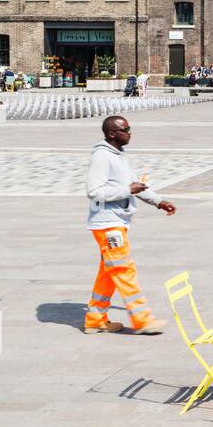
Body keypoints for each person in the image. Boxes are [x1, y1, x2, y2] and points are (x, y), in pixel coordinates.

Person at [83, 115, 175, 335]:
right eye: (125, 129)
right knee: (124, 270)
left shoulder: (119, 155)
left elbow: (137, 185)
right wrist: (127, 190)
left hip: (117, 221)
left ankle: (95, 319)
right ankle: (142, 319)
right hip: (108, 224)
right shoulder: (102, 157)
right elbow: (94, 192)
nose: (130, 133)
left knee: (108, 272)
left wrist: (159, 201)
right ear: (112, 133)